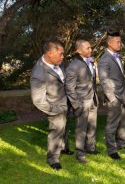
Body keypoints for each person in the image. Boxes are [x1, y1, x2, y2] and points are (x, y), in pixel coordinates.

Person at [30, 40, 71, 170]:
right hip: (54, 106)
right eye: (61, 54)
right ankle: (53, 159)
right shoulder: (39, 73)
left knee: (64, 127)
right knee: (56, 131)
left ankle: (64, 148)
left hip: (64, 102)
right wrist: (56, 109)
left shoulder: (58, 62)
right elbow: (38, 101)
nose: (63, 56)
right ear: (50, 53)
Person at [98, 30, 125, 161]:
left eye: (120, 41)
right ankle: (112, 150)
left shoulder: (117, 56)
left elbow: (120, 77)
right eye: (117, 42)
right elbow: (104, 81)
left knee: (123, 120)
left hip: (122, 94)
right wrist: (112, 98)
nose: (120, 44)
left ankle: (122, 144)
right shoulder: (104, 59)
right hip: (113, 97)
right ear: (109, 43)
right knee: (112, 124)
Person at [65, 40, 99, 164]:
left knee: (92, 125)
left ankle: (90, 148)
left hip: (93, 99)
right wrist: (76, 105)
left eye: (90, 47)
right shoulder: (73, 66)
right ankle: (80, 153)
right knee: (81, 129)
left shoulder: (91, 61)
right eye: (87, 48)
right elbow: (69, 88)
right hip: (81, 102)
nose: (90, 50)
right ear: (78, 51)